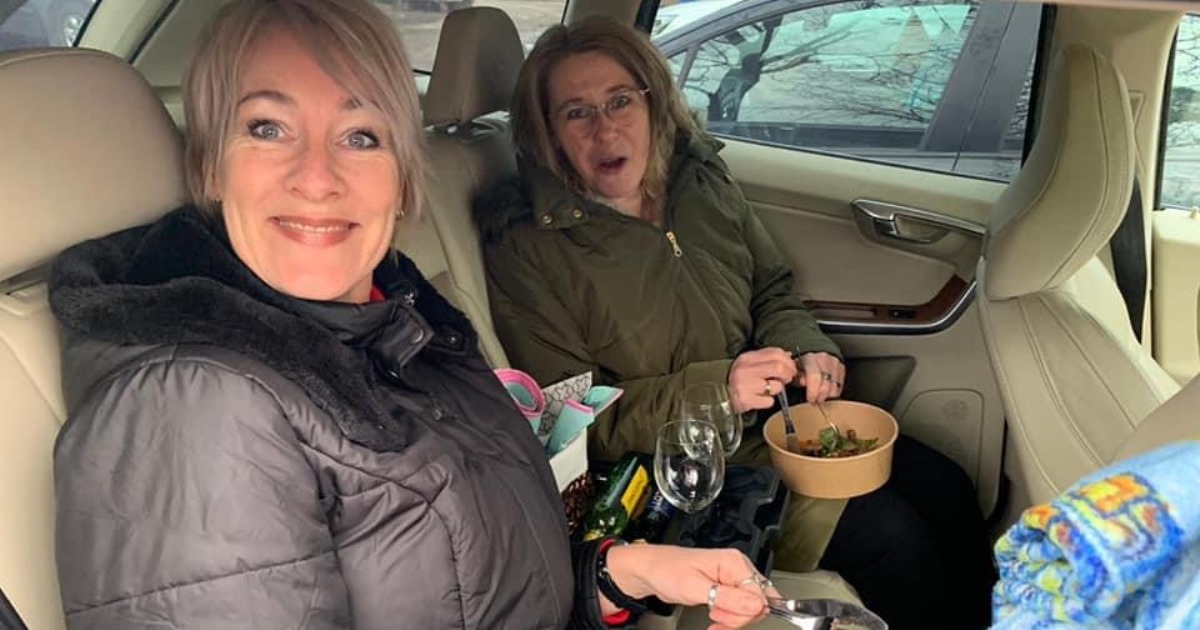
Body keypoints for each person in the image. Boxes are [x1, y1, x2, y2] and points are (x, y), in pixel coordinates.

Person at [46, 1, 777, 628]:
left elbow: (479, 580)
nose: (317, 177)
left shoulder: (397, 324)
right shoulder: (198, 410)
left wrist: (616, 577)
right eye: (268, 127)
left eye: (360, 136)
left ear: (401, 180)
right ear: (210, 165)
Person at [475, 16, 997, 630]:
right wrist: (718, 390)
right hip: (675, 470)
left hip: (776, 431)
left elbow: (770, 287)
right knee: (892, 539)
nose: (606, 129)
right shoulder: (528, 246)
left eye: (620, 101)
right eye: (577, 113)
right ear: (549, 132)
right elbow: (572, 422)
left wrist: (807, 348)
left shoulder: (698, 179)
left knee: (947, 486)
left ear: (652, 100)